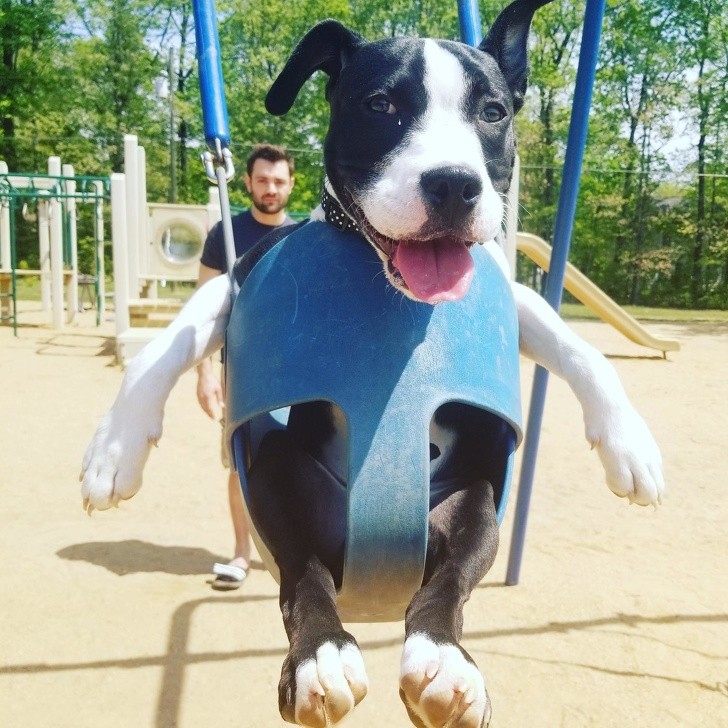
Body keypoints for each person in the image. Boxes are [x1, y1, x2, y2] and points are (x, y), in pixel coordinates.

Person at [196, 143, 296, 589]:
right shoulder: (226, 234)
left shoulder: (303, 237)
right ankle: (240, 553)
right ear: (249, 182)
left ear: (291, 184)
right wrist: (203, 372)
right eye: (263, 180)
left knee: (307, 459)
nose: (270, 189)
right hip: (241, 370)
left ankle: (304, 552)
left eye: (278, 181)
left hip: (297, 370)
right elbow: (203, 309)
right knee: (242, 464)